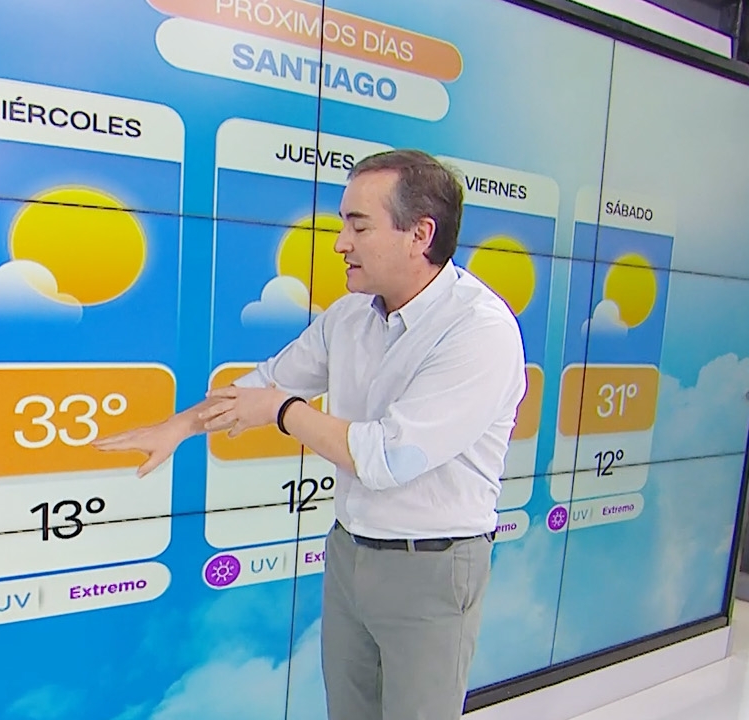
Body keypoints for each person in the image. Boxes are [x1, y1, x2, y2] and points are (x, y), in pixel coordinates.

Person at [94, 149, 527, 720]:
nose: (341, 243)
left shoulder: (479, 331)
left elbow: (389, 457)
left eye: (359, 226)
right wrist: (180, 427)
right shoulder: (350, 316)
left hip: (432, 567)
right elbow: (266, 382)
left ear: (420, 235)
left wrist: (283, 412)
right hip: (350, 552)